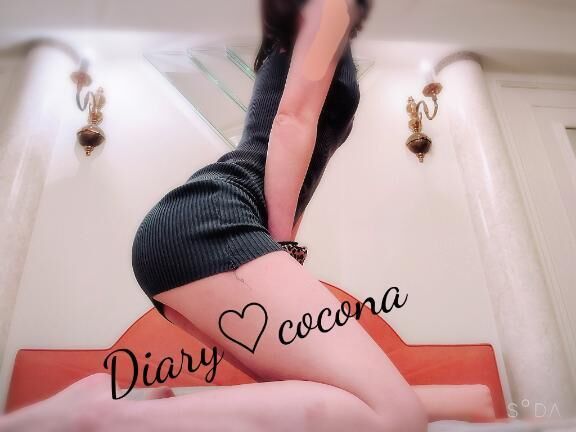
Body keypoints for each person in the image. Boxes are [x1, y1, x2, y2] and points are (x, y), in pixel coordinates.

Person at [0, 0, 497, 430]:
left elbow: (292, 149)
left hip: (201, 226)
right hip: (211, 222)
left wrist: (471, 403)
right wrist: (282, 247)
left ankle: (122, 406)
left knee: (358, 400)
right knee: (395, 416)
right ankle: (107, 418)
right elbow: (292, 120)